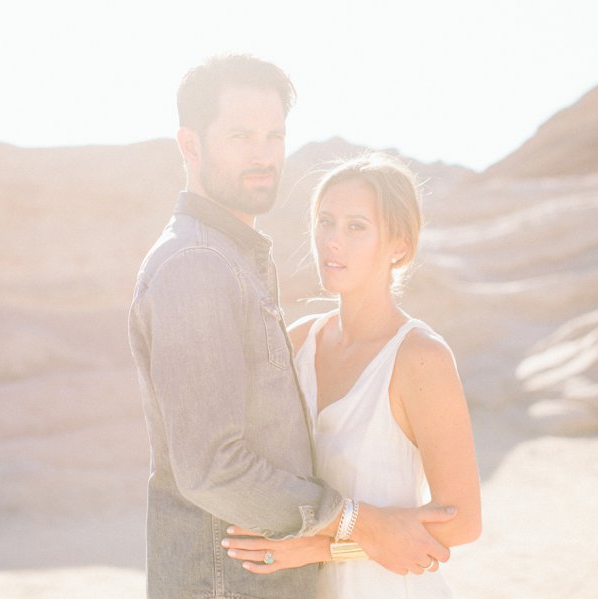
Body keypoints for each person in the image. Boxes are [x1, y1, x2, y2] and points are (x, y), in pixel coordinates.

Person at [128, 55, 459, 599]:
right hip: (222, 584)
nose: (262, 155)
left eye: (273, 136)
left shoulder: (233, 262)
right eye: (240, 135)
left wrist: (329, 545)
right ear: (191, 145)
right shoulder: (198, 265)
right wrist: (360, 526)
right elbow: (212, 468)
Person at [222, 152, 482, 598]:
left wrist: (319, 548)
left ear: (398, 246)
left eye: (356, 227)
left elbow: (461, 522)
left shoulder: (420, 358)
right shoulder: (298, 341)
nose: (332, 241)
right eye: (326, 222)